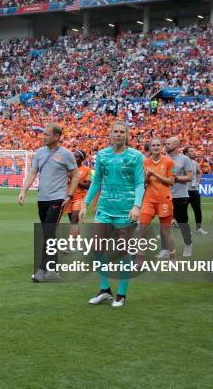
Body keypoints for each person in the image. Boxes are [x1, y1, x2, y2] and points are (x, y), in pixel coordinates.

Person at [80, 121, 145, 307]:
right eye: (115, 131)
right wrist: (85, 203)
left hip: (126, 210)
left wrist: (137, 206)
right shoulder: (102, 155)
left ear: (127, 135)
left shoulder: (135, 156)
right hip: (104, 209)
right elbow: (96, 181)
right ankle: (105, 290)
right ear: (110, 134)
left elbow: (140, 183)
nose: (118, 134)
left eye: (121, 132)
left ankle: (121, 295)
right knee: (97, 248)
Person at [18, 123, 79, 282]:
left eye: (46, 134)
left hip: (58, 199)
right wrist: (23, 190)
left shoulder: (66, 154)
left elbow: (75, 175)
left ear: (57, 137)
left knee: (49, 233)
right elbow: (33, 172)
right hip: (42, 199)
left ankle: (42, 269)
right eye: (43, 134)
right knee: (48, 234)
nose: (43, 136)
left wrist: (69, 195)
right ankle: (52, 271)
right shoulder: (39, 153)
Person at [139, 139, 176, 261]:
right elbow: (143, 183)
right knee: (142, 229)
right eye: (153, 145)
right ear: (149, 148)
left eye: (158, 145)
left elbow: (171, 181)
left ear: (162, 147)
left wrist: (155, 175)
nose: (155, 147)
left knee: (166, 232)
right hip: (149, 200)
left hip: (164, 200)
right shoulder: (145, 162)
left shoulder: (169, 162)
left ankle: (172, 258)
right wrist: (148, 177)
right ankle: (140, 259)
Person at [165, 137, 194, 257]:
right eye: (165, 144)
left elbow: (190, 177)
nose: (165, 145)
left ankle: (188, 245)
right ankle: (167, 249)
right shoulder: (163, 159)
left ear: (176, 146)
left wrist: (175, 178)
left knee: (182, 222)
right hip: (165, 195)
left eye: (168, 144)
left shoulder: (185, 159)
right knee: (165, 223)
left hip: (180, 196)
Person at [65, 149, 92, 238]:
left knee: (74, 220)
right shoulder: (68, 168)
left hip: (80, 198)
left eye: (77, 157)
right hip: (69, 197)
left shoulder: (86, 169)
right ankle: (77, 241)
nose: (74, 158)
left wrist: (76, 180)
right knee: (73, 222)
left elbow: (88, 186)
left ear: (82, 159)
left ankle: (70, 245)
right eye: (73, 156)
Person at [183, 146, 208, 235]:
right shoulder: (182, 162)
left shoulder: (195, 163)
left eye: (194, 151)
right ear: (185, 153)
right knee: (184, 211)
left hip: (194, 189)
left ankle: (199, 228)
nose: (194, 152)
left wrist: (198, 181)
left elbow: (200, 171)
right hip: (184, 190)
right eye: (191, 151)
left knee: (197, 209)